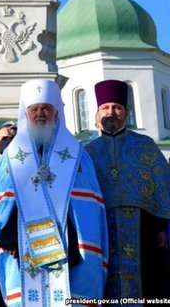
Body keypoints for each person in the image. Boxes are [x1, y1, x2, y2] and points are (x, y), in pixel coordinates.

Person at [0, 79, 107, 305]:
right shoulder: (12, 156)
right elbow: (2, 204)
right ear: (26, 114)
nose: (40, 114)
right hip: (22, 247)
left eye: (46, 108)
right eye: (34, 109)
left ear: (56, 113)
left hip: (70, 250)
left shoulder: (76, 153)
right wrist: (10, 238)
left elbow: (89, 206)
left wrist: (73, 243)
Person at [84, 79, 170, 301]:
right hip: (101, 226)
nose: (111, 112)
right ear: (97, 114)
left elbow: (162, 188)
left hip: (144, 227)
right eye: (105, 108)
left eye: (117, 107)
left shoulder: (146, 145)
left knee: (149, 282)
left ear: (126, 113)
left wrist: (161, 227)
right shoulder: (87, 152)